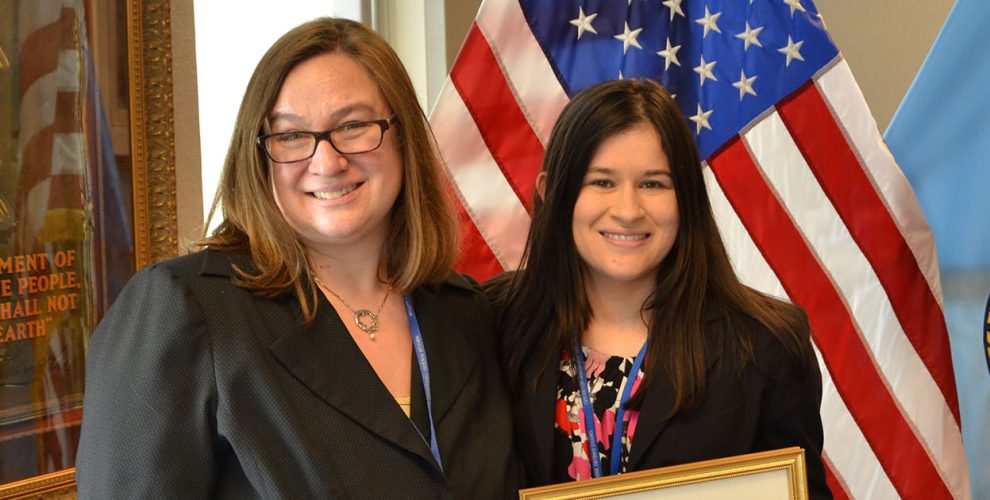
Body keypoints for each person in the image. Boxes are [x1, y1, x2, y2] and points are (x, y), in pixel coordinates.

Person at [76, 18, 517, 498]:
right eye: (290, 136)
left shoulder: (464, 311)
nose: (326, 162)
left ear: (403, 137)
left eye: (353, 126)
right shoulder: (183, 311)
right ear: (258, 154)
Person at [486, 79, 831, 499]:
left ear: (686, 198)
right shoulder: (489, 323)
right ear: (550, 194)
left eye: (653, 184)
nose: (628, 211)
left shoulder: (766, 345)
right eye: (601, 182)